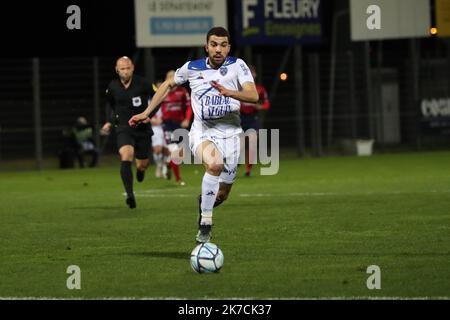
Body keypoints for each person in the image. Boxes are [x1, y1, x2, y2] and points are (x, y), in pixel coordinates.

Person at [129, 27, 258, 243]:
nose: (218, 49)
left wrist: (230, 92)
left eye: (223, 45)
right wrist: (146, 112)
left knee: (223, 193)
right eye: (214, 44)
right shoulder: (192, 68)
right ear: (206, 47)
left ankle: (204, 203)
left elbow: (253, 95)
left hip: (231, 134)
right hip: (203, 131)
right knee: (214, 165)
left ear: (228, 47)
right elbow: (168, 85)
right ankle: (206, 224)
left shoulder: (238, 65)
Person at [101, 56, 154, 209]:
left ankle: (140, 170)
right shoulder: (112, 87)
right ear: (117, 70)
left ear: (132, 68)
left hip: (142, 128)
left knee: (143, 163)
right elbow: (110, 106)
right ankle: (130, 195)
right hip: (123, 128)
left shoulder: (143, 83)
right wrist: (109, 122)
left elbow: (158, 98)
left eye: (128, 68)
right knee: (126, 156)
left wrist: (148, 115)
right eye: (122, 69)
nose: (125, 71)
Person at [159, 69, 192, 186]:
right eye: (170, 76)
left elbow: (189, 106)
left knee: (181, 153)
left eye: (175, 76)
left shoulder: (182, 91)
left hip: (179, 124)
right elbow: (154, 106)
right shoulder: (163, 91)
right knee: (175, 152)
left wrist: (187, 119)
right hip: (167, 125)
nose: (173, 78)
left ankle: (168, 163)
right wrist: (154, 117)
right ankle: (178, 179)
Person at [240, 65, 270, 177]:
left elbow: (266, 104)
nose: (250, 75)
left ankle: (248, 170)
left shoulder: (260, 89)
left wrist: (260, 107)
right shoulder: (238, 88)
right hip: (239, 118)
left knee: (252, 143)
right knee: (240, 145)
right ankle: (237, 160)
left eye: (252, 72)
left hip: (252, 119)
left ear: (255, 74)